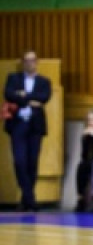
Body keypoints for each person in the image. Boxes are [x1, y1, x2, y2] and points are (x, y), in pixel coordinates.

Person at [3, 50, 52, 212]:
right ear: (23, 62)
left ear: (37, 62)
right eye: (27, 60)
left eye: (32, 60)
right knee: (19, 161)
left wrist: (23, 95)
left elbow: (44, 97)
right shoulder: (13, 78)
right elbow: (9, 94)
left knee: (32, 162)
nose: (30, 63)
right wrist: (31, 99)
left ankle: (26, 199)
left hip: (35, 126)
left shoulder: (44, 81)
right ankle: (30, 199)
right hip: (17, 125)